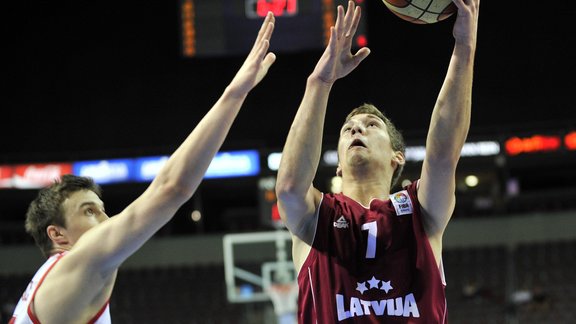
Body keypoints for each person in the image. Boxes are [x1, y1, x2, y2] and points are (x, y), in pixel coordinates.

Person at [10, 12, 277, 324]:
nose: (105, 219)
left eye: (101, 209)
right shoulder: (76, 265)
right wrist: (235, 93)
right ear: (57, 234)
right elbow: (171, 189)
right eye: (88, 211)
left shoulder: (51, 287)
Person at [275, 0, 479, 322]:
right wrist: (319, 83)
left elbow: (442, 155)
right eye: (348, 129)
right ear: (339, 164)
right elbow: (288, 187)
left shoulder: (421, 212)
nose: (357, 128)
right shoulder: (316, 219)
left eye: (372, 125)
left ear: (397, 157)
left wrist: (465, 46)